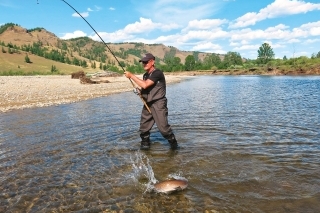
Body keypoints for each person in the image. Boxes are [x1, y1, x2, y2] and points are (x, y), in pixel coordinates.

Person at [124, 53, 178, 150]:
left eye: (146, 62)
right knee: (143, 128)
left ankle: (174, 147)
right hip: (148, 103)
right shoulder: (146, 75)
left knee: (164, 130)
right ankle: (145, 147)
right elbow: (145, 89)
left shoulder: (157, 73)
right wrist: (139, 91)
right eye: (143, 62)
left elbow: (145, 85)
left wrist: (131, 75)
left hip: (158, 104)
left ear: (152, 62)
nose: (144, 64)